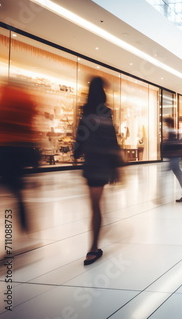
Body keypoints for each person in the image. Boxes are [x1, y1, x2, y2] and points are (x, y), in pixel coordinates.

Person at [74, 76, 123, 265]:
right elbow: (111, 138)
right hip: (102, 163)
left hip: (91, 163)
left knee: (95, 206)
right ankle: (93, 248)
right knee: (97, 206)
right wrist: (117, 162)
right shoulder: (105, 112)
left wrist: (77, 152)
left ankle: (93, 247)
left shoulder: (85, 112)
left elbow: (80, 137)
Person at [0, 77, 39, 234]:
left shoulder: (6, 95)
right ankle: (25, 224)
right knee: (16, 189)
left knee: (10, 185)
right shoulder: (27, 99)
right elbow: (31, 125)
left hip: (4, 147)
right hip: (20, 148)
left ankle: (24, 223)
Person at [161, 117, 182, 202]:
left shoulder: (170, 131)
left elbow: (171, 144)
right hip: (175, 157)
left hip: (173, 157)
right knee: (179, 175)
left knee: (164, 176)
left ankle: (160, 197)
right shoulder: (174, 131)